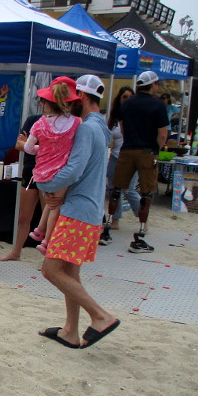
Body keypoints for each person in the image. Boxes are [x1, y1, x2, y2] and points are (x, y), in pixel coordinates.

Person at [37, 74, 120, 349]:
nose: (67, 104)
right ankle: (70, 330)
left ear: (81, 97)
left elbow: (74, 170)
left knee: (50, 270)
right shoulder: (101, 127)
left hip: (78, 210)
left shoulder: (87, 129)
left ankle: (100, 316)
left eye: (71, 98)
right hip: (89, 210)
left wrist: (45, 185)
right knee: (70, 273)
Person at [102, 71, 169, 252]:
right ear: (153, 85)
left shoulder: (127, 104)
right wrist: (156, 149)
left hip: (127, 150)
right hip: (147, 151)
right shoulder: (158, 105)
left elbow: (123, 130)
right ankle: (140, 233)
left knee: (116, 189)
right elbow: (163, 134)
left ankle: (108, 227)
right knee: (146, 192)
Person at [22, 77, 82, 255]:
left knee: (50, 202)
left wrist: (39, 149)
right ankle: (47, 240)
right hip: (60, 173)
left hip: (40, 174)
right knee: (55, 205)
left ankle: (39, 229)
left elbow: (28, 148)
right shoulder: (76, 123)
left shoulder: (39, 123)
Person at [0, 112, 45, 261]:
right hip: (30, 171)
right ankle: (16, 252)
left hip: (48, 173)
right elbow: (19, 145)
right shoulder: (33, 120)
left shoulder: (61, 123)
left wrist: (30, 145)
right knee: (23, 216)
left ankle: (48, 259)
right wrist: (33, 147)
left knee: (48, 217)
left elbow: (54, 150)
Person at [105, 86, 140, 230]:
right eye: (125, 97)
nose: (127, 100)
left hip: (131, 157)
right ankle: (115, 220)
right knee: (114, 190)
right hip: (115, 157)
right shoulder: (114, 118)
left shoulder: (137, 116)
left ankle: (143, 217)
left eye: (130, 97)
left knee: (129, 190)